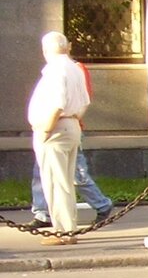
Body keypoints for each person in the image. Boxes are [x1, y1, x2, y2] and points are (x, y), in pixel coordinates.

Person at [28, 59, 112, 227]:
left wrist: (51, 128)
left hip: (60, 130)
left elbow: (78, 101)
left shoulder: (72, 69)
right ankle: (43, 213)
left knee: (75, 176)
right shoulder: (60, 69)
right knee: (42, 173)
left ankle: (101, 204)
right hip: (56, 129)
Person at [25, 31, 90, 245]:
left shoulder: (56, 70)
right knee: (65, 181)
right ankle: (67, 228)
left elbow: (57, 104)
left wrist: (45, 130)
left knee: (55, 182)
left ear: (45, 50)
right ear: (66, 47)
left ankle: (63, 231)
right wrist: (72, 119)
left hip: (55, 130)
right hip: (70, 125)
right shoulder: (74, 68)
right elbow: (84, 103)